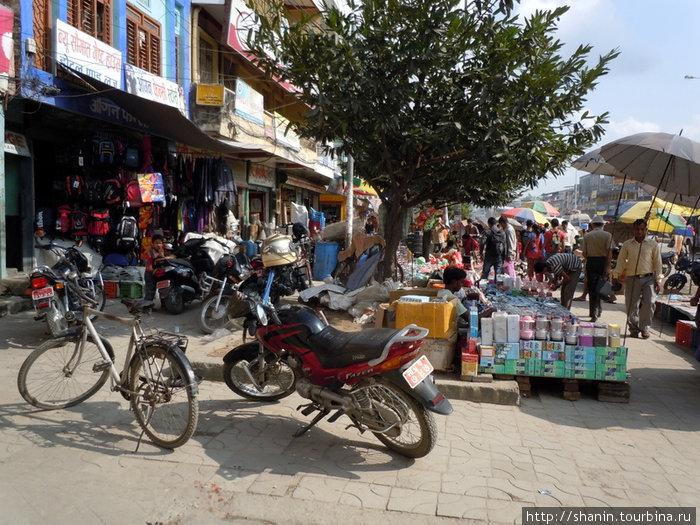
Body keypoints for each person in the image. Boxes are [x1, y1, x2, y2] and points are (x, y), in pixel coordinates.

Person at [611, 218, 662, 339]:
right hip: (632, 278)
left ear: (646, 230)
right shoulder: (627, 244)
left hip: (649, 278)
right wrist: (616, 275)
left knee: (649, 302)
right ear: (633, 230)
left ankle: (645, 328)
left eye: (642, 229)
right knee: (631, 305)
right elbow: (621, 261)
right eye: (637, 229)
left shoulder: (653, 244)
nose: (639, 232)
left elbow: (658, 263)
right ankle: (633, 328)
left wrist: (658, 280)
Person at [581, 215, 613, 322]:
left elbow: (584, 253)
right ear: (603, 224)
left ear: (593, 225)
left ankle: (593, 312)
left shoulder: (587, 236)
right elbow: (609, 252)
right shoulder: (608, 235)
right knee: (601, 287)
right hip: (603, 262)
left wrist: (590, 258)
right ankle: (598, 310)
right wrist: (608, 267)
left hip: (591, 262)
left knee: (592, 288)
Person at [144, 234, 175, 303]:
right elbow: (156, 258)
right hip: (150, 273)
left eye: (160, 243)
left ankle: (164, 305)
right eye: (156, 243)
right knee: (150, 290)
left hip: (158, 273)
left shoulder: (163, 250)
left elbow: (172, 255)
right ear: (152, 244)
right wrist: (163, 256)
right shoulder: (151, 251)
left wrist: (165, 256)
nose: (158, 245)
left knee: (162, 289)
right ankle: (146, 306)